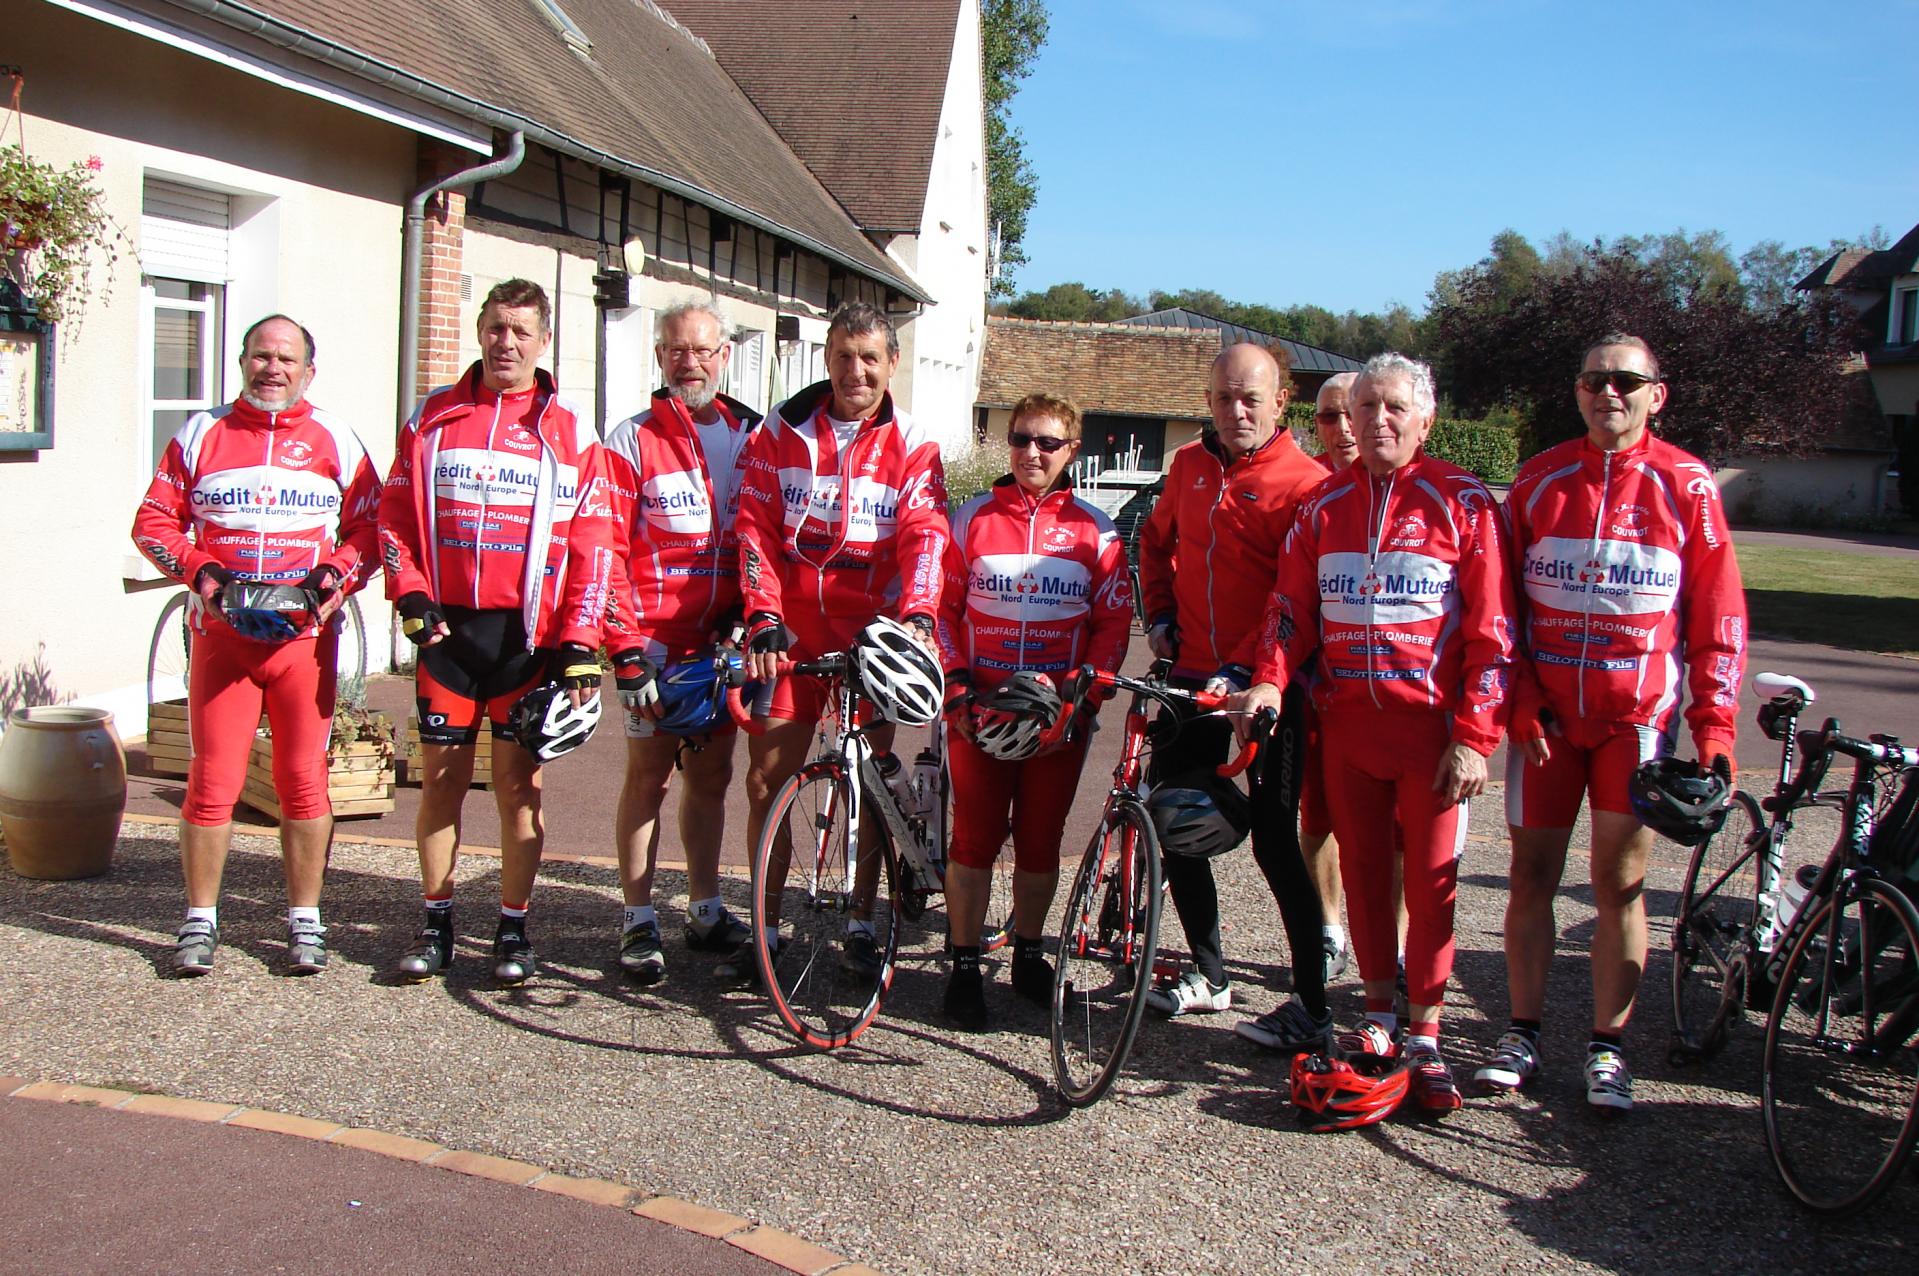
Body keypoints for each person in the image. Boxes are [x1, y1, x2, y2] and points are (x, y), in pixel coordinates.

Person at [1230, 352, 1518, 1113]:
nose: (1378, 420)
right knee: (1361, 878)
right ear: (1347, 419)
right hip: (1350, 729)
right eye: (1365, 409)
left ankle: (1426, 1034)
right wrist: (1268, 676)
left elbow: (1493, 632)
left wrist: (1474, 734)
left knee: (1428, 888)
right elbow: (1289, 611)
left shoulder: (1462, 502)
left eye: (1394, 408)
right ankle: (1380, 1020)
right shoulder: (1324, 507)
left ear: (1425, 419)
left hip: (1430, 737)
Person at [1477, 334, 1746, 1112]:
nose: (1609, 393)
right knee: (1530, 876)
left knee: (1618, 887)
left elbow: (1716, 616)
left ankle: (1606, 1048)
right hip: (1550, 724)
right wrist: (1517, 694)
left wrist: (1716, 728)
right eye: (1595, 380)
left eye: (1626, 380)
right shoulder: (1537, 480)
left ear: (1655, 394)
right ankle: (1521, 1032)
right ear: (1577, 392)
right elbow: (1501, 606)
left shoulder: (1687, 486)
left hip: (1636, 723)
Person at [377, 279, 616, 986]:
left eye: (520, 331)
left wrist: (579, 642)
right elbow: (392, 515)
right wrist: (409, 592)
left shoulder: (568, 428)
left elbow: (595, 544)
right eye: (495, 327)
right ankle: (436, 921)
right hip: (448, 637)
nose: (505, 342)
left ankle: (513, 928)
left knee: (519, 793)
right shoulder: (432, 416)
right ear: (479, 330)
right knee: (441, 787)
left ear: (543, 342)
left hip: (525, 642)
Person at [131, 314, 381, 976]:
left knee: (304, 782)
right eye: (260, 356)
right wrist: (199, 571)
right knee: (213, 782)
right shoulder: (202, 432)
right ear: (242, 362)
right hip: (223, 638)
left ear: (308, 370)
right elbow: (152, 522)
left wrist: (337, 574)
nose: (272, 368)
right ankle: (199, 920)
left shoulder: (335, 436)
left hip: (303, 642)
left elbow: (372, 527)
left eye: (286, 359)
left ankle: (305, 921)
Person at [734, 301, 949, 980]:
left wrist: (916, 616)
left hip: (873, 635)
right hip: (793, 635)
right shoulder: (780, 433)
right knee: (767, 781)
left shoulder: (914, 443)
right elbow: (755, 528)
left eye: (869, 358)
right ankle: (765, 930)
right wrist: (762, 613)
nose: (854, 371)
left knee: (866, 782)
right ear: (825, 360)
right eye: (842, 356)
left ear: (890, 364)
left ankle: (861, 919)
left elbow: (924, 535)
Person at [1135, 342, 1334, 1051]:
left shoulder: (1306, 483)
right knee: (1173, 822)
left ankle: (1311, 1004)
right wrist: (1158, 617)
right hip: (1189, 676)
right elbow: (1153, 545)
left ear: (1281, 403)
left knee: (1278, 844)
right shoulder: (1188, 465)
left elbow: (1295, 594)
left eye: (1251, 398)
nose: (1236, 411)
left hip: (1265, 686)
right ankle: (1210, 976)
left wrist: (1250, 669)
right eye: (1223, 398)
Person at [936, 392, 1132, 1028]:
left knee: (1041, 840)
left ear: (1071, 451)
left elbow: (1112, 623)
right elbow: (943, 611)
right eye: (1022, 439)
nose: (1032, 453)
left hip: (1058, 719)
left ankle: (1027, 954)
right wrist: (956, 690)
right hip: (979, 712)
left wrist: (1083, 698)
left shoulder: (1096, 532)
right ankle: (965, 967)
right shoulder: (969, 520)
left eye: (1049, 443)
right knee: (974, 840)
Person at [599, 299, 762, 983]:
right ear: (660, 356)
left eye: (701, 350)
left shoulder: (754, 435)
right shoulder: (629, 437)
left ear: (723, 356)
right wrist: (625, 651)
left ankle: (702, 906)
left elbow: (764, 534)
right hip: (655, 643)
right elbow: (603, 547)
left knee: (713, 778)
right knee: (649, 779)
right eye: (674, 350)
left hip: (719, 642)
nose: (687, 362)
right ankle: (637, 919)